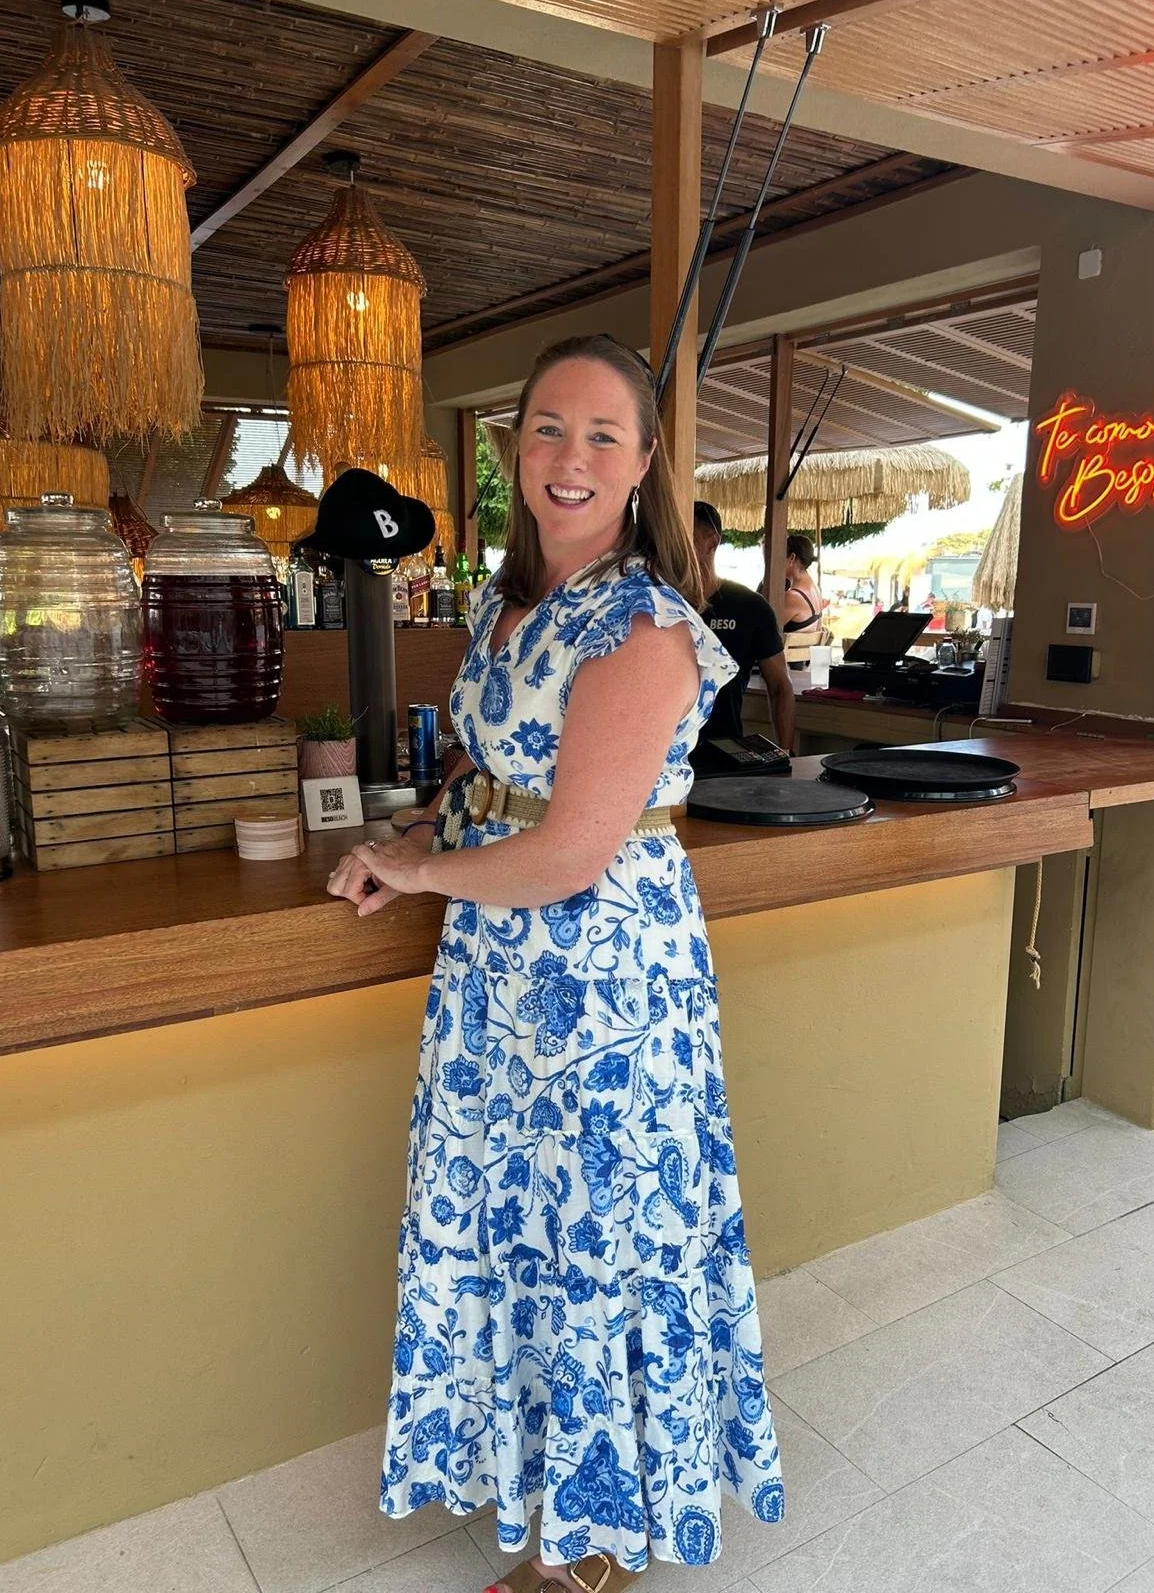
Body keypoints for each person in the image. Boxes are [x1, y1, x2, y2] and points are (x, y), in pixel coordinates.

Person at [325, 335, 783, 1591]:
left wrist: (420, 873)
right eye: (544, 429)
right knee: (515, 1225)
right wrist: (417, 831)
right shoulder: (506, 600)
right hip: (496, 974)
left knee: (598, 1232)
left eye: (599, 436)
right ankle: (535, 1483)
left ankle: (592, 1543)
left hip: (602, 980)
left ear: (641, 465)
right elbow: (490, 774)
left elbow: (575, 850)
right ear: (513, 449)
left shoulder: (644, 626)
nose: (567, 458)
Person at [691, 500, 795, 753]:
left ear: (711, 542)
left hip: (721, 751)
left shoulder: (748, 606)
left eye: (685, 536)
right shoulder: (653, 604)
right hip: (657, 759)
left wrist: (784, 753)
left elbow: (780, 685)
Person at [782, 534, 824, 636]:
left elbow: (763, 630)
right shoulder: (816, 590)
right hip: (805, 651)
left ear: (792, 558)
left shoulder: (793, 597)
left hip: (788, 652)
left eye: (780, 557)